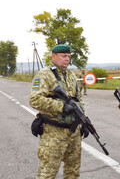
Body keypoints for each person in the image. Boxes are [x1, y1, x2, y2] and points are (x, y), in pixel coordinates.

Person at [29, 44, 89, 179]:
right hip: (53, 133)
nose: (67, 59)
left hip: (73, 133)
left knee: (73, 171)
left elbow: (79, 100)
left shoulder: (71, 76)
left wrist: (84, 122)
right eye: (63, 56)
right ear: (54, 56)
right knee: (48, 173)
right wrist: (61, 107)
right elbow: (34, 99)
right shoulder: (44, 75)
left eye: (68, 56)